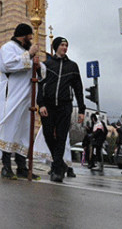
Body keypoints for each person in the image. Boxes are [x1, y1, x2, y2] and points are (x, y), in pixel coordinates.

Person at [0, 23, 40, 180]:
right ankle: (6, 166)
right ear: (22, 37)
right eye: (29, 37)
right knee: (9, 129)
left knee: (23, 131)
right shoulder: (7, 47)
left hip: (27, 98)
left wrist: (38, 64)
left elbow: (39, 70)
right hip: (12, 95)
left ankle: (22, 167)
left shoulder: (24, 50)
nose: (30, 40)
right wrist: (29, 55)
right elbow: (8, 65)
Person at [37, 37, 85, 182]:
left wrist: (82, 110)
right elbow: (40, 85)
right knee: (48, 135)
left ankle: (57, 169)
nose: (65, 47)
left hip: (65, 106)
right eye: (62, 45)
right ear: (56, 47)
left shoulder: (72, 66)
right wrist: (41, 104)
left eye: (66, 45)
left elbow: (78, 89)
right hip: (48, 106)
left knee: (62, 137)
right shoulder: (46, 65)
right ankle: (60, 163)